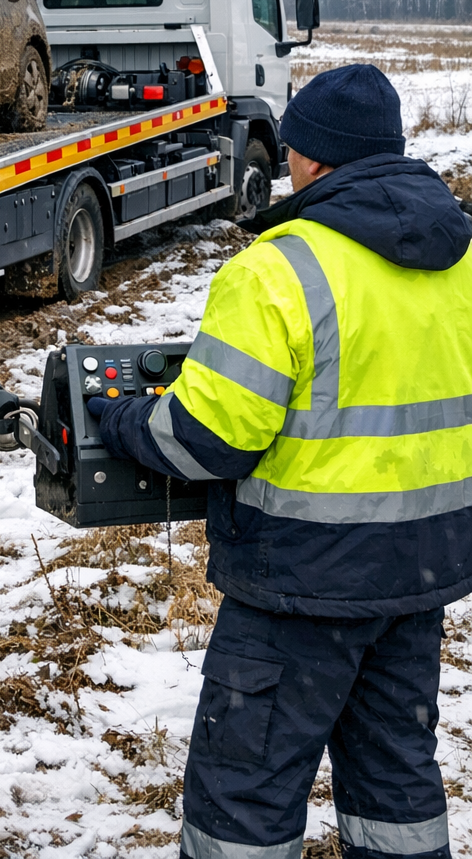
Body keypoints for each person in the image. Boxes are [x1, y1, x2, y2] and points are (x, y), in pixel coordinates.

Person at [88, 63, 472, 859]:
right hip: (420, 579)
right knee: (397, 783)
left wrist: (123, 421)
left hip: (299, 589)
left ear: (310, 158)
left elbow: (205, 439)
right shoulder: (461, 259)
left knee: (245, 801)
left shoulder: (278, 269)